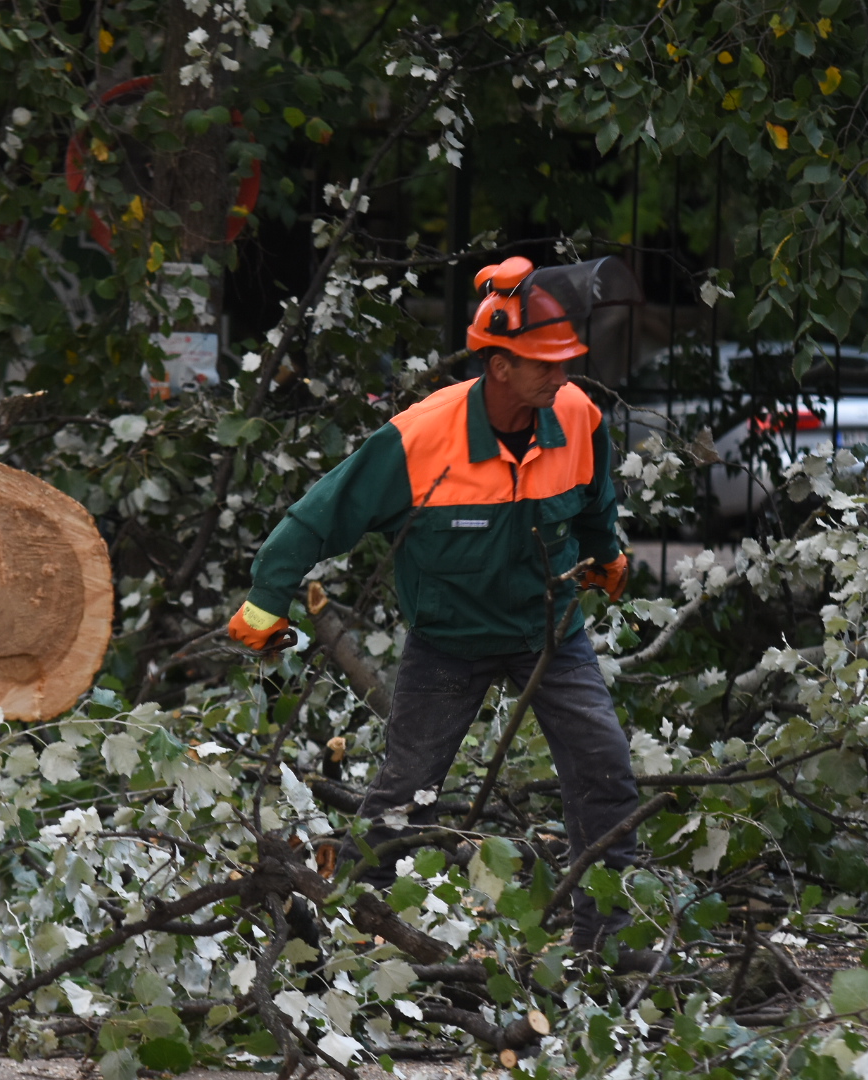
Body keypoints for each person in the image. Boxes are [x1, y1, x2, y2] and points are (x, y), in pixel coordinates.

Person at [228, 255, 641, 955]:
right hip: (449, 640)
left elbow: (596, 497)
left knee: (605, 768)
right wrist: (269, 597)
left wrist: (605, 556)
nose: (561, 375)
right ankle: (352, 919)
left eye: (566, 360)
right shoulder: (422, 438)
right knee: (403, 797)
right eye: (545, 364)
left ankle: (608, 937)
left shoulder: (576, 415)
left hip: (549, 630)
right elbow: (321, 515)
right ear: (499, 363)